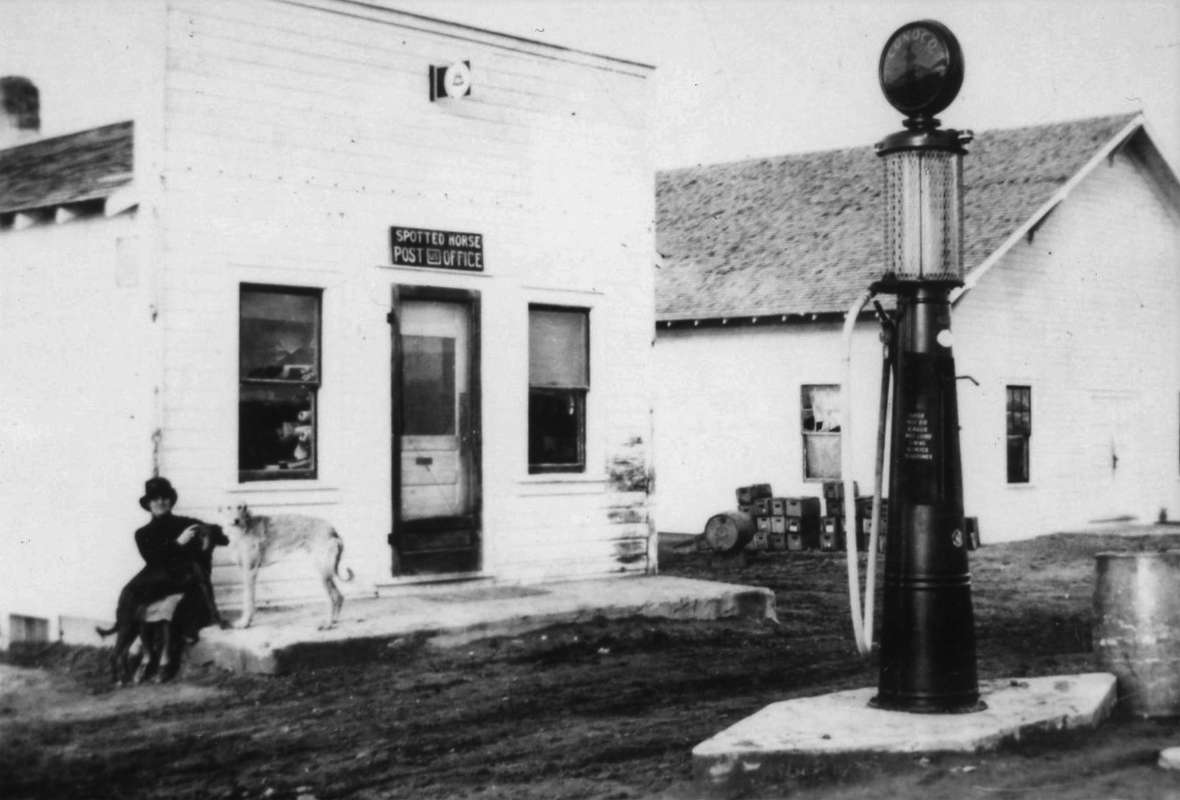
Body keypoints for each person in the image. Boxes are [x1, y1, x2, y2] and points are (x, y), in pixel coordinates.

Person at [117, 478, 220, 649]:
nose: (161, 502)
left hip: (182, 579)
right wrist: (179, 543)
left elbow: (217, 532)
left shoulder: (185, 523)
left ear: (171, 501)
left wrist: (206, 533)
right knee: (130, 594)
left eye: (165, 498)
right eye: (155, 499)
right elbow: (154, 560)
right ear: (149, 504)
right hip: (159, 579)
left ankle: (166, 652)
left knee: (187, 591)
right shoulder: (142, 533)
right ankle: (126, 649)